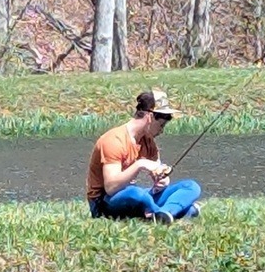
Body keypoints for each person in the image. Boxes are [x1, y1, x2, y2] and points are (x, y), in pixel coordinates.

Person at [86, 89, 201, 223]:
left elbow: (156, 174)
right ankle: (170, 212)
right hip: (105, 202)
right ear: (150, 116)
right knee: (137, 194)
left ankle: (163, 214)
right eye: (161, 125)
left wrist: (162, 181)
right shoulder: (114, 140)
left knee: (191, 186)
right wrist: (140, 164)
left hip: (140, 194)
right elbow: (111, 188)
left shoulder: (149, 142)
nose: (162, 131)